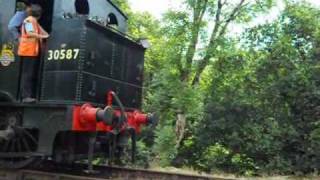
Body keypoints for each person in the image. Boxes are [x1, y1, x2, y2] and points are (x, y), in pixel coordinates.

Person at [18, 4, 49, 103]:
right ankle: (25, 96)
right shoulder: (28, 20)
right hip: (27, 51)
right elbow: (30, 33)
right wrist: (42, 36)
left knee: (31, 74)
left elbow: (43, 32)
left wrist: (47, 35)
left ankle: (28, 95)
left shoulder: (34, 21)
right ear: (39, 14)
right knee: (27, 74)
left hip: (32, 51)